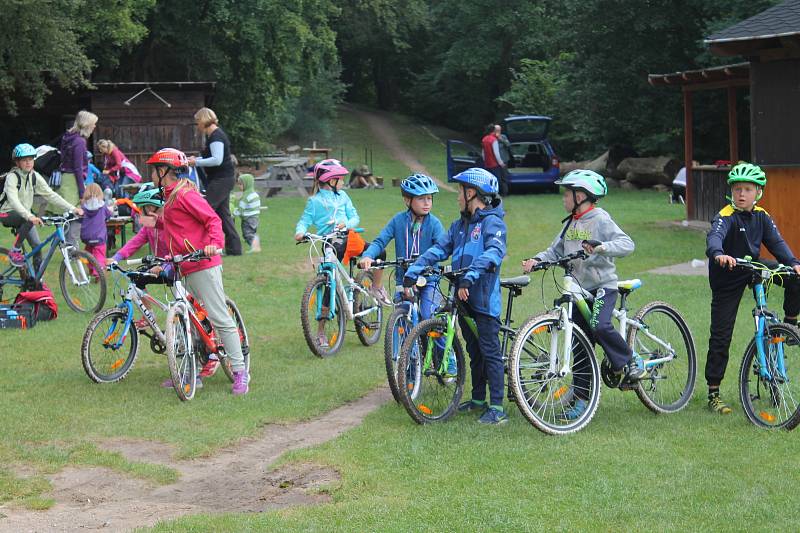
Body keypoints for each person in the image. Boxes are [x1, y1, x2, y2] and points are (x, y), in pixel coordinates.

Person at [522, 169, 644, 420]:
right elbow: (555, 250)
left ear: (582, 196)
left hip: (602, 287)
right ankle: (582, 399)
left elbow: (626, 244)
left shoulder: (600, 218)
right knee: (578, 343)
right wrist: (537, 260)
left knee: (599, 326)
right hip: (577, 289)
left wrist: (601, 247)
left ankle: (629, 360)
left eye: (567, 193)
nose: (564, 198)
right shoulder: (570, 222)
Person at [403, 167, 508, 425]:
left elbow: (494, 253)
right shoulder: (459, 225)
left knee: (490, 353)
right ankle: (478, 400)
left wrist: (471, 275)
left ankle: (497, 407)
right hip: (462, 298)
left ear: (471, 193)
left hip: (483, 299)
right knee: (474, 352)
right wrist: (414, 270)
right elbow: (439, 249)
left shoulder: (492, 222)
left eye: (460, 192)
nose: (458, 197)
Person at [147, 147, 249, 395]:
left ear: (164, 171)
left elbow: (212, 220)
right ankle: (192, 372)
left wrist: (214, 244)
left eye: (154, 170)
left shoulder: (184, 194)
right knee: (188, 320)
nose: (151, 174)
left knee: (219, 318)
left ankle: (240, 373)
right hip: (182, 265)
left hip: (202, 263)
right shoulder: (170, 194)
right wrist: (157, 221)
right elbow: (181, 224)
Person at [704, 162, 800, 414]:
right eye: (737, 189)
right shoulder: (725, 215)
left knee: (794, 276)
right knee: (721, 335)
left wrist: (793, 263)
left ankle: (790, 323)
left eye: (747, 189)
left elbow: (777, 243)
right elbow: (714, 238)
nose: (741, 194)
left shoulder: (762, 216)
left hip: (753, 267)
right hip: (728, 274)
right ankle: (713, 392)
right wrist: (718, 254)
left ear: (758, 192)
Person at [294, 159, 388, 348]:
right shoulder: (314, 201)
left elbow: (354, 217)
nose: (343, 181)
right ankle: (320, 331)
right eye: (340, 178)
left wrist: (347, 224)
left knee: (380, 252)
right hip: (329, 242)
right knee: (328, 282)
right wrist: (300, 232)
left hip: (349, 239)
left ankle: (376, 287)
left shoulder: (343, 196)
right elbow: (304, 221)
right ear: (331, 180)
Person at [358, 173, 446, 316]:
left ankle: (438, 338)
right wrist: (368, 256)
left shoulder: (434, 223)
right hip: (403, 280)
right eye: (421, 198)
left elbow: (442, 247)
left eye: (429, 198)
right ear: (407, 200)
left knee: (428, 318)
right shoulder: (398, 221)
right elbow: (380, 241)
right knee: (400, 317)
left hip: (428, 280)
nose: (427, 203)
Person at [0, 143, 82, 268]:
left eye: (31, 159)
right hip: (6, 212)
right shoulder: (12, 177)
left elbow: (51, 195)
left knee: (37, 247)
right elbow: (14, 201)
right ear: (17, 163)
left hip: (26, 216)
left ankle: (36, 281)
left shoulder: (34, 176)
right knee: (26, 218)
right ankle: (15, 251)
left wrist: (72, 208)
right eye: (24, 160)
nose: (28, 163)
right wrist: (29, 216)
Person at [187, 107, 243, 256]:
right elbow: (213, 158)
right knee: (224, 215)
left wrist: (196, 163)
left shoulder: (216, 136)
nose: (197, 125)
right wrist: (195, 160)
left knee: (204, 210)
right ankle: (234, 249)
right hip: (224, 178)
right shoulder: (215, 135)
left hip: (221, 180)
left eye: (197, 122)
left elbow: (217, 160)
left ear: (203, 120)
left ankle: (199, 244)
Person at [59, 110, 98, 243]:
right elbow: (77, 168)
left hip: (66, 179)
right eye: (93, 124)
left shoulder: (68, 137)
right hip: (73, 181)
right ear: (87, 124)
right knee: (76, 216)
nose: (94, 127)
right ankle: (72, 252)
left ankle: (67, 249)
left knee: (67, 218)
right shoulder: (80, 141)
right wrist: (82, 193)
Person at [79, 183, 113, 271]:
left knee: (89, 254)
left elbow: (80, 218)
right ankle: (98, 272)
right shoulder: (102, 207)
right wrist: (111, 209)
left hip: (87, 237)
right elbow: (109, 215)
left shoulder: (83, 206)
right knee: (99, 256)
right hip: (99, 237)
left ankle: (91, 269)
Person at [232, 173, 262, 253]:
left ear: (247, 184)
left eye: (241, 184)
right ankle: (256, 244)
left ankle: (255, 248)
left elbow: (241, 210)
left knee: (247, 234)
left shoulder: (245, 196)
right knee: (252, 232)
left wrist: (233, 213)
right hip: (255, 218)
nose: (239, 186)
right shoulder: (255, 194)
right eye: (238, 184)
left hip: (248, 219)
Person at [481, 124, 508, 196]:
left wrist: (484, 161)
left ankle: (489, 194)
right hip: (494, 164)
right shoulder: (493, 140)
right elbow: (496, 153)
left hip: (487, 164)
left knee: (488, 180)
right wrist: (501, 163)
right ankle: (496, 195)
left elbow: (483, 152)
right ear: (493, 130)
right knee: (497, 180)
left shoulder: (484, 139)